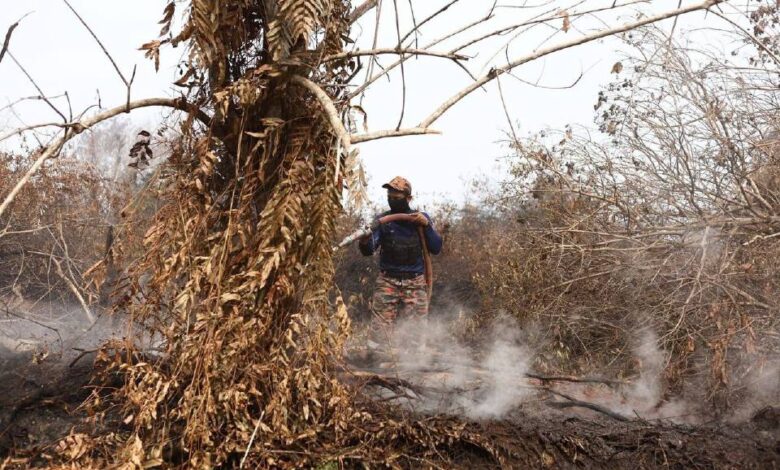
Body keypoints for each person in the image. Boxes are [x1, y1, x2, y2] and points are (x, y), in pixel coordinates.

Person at [358, 176, 443, 348]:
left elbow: (436, 247)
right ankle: (375, 358)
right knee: (379, 331)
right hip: (388, 280)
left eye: (396, 197)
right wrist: (364, 240)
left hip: (415, 281)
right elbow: (369, 250)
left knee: (416, 332)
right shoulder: (383, 220)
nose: (392, 200)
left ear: (408, 198)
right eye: (389, 196)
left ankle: (415, 360)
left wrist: (426, 225)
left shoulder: (419, 219)